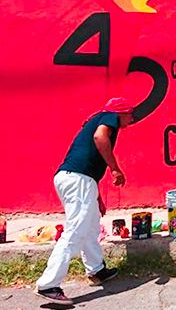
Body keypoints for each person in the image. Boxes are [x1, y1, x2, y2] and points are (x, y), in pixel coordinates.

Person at [35, 98, 135, 305]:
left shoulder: (98, 120)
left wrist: (96, 197)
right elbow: (100, 138)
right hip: (77, 179)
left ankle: (97, 270)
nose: (131, 118)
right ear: (121, 112)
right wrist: (115, 168)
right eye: (130, 114)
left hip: (76, 178)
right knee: (76, 230)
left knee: (90, 225)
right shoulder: (109, 117)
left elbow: (88, 168)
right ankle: (48, 285)